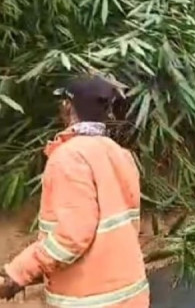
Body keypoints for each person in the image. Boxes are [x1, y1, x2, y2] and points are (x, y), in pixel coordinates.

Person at [0, 75, 149, 307]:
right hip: (130, 293)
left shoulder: (68, 159)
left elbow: (72, 238)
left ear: (67, 107)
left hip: (90, 300)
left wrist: (19, 273)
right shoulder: (119, 154)